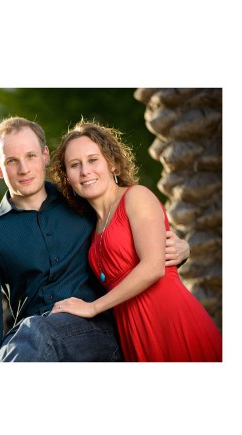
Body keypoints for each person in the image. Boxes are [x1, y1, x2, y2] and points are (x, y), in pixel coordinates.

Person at [0, 117, 190, 362]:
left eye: (31, 156)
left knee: (34, 332)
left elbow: (130, 232)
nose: (24, 169)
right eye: (11, 161)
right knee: (27, 336)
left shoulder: (83, 199)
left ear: (45, 156)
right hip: (31, 344)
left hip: (97, 332)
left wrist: (181, 248)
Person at [48, 121, 221, 361]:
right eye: (74, 165)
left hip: (170, 317)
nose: (85, 171)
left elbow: (153, 267)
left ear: (113, 164)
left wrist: (93, 307)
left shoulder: (136, 197)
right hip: (133, 330)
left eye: (93, 160)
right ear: (68, 177)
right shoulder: (93, 225)